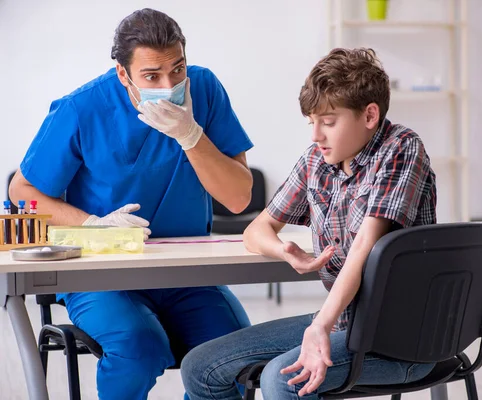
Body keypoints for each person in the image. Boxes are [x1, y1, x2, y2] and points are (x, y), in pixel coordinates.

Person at [9, 8, 252, 400]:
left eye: (177, 69)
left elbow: (239, 197)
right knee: (140, 348)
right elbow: (23, 190)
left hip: (187, 275)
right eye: (152, 76)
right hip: (103, 275)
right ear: (123, 74)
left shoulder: (204, 90)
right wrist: (92, 224)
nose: (169, 84)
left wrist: (192, 136)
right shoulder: (82, 108)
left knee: (235, 355)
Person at [180, 47, 438, 400]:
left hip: (401, 338)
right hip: (344, 323)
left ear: (370, 115)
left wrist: (320, 326)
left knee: (283, 379)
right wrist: (285, 250)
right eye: (311, 122)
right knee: (201, 365)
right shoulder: (316, 161)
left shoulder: (401, 148)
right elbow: (256, 231)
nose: (316, 135)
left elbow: (365, 246)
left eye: (329, 122)